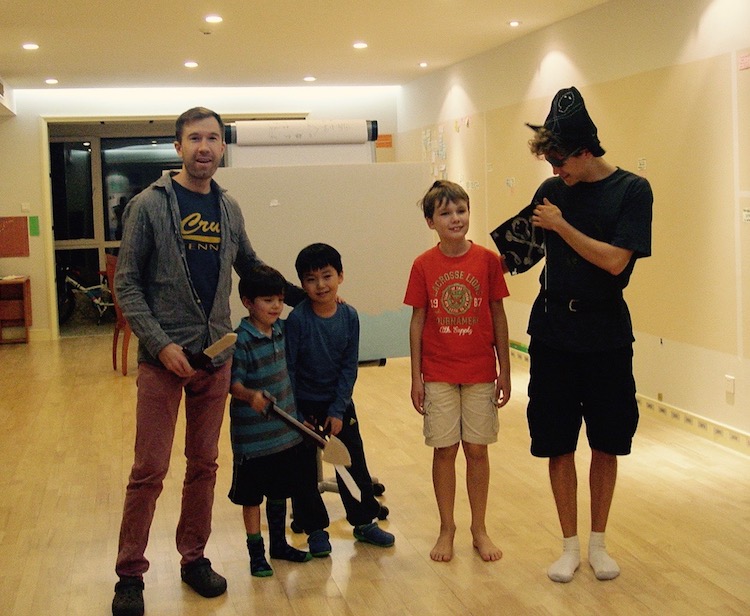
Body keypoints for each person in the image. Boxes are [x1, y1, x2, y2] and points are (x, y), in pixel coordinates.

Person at [111, 107, 302, 616]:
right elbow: (127, 284)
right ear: (178, 146)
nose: (204, 147)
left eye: (212, 138)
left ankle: (193, 558)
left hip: (215, 357)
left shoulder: (228, 208)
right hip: (163, 360)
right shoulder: (149, 206)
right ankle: (130, 574)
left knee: (204, 465)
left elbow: (252, 268)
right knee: (149, 469)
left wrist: (310, 299)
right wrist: (160, 345)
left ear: (222, 147)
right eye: (194, 138)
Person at [494, 87, 652, 583]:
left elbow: (615, 261)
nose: (554, 169)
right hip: (552, 333)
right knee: (556, 442)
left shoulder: (632, 191)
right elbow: (512, 258)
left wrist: (561, 227)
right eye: (549, 161)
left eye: (560, 160)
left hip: (606, 334)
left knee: (608, 441)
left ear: (585, 151)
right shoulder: (551, 191)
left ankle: (599, 544)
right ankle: (568, 546)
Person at [404, 180, 511, 563]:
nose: (455, 218)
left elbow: (498, 315)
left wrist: (505, 369)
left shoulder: (488, 261)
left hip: (481, 371)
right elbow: (418, 321)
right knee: (445, 450)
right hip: (438, 373)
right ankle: (446, 527)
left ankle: (478, 528)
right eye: (445, 213)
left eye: (461, 210)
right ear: (430, 221)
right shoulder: (423, 265)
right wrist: (415, 377)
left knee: (477, 450)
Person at [285, 243, 395, 548]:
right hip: (304, 407)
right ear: (302, 283)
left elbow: (349, 366)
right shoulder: (297, 320)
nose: (320, 285)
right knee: (305, 470)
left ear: (341, 276)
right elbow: (290, 368)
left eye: (327, 276)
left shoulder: (349, 316)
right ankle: (314, 530)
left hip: (338, 405)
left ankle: (364, 522)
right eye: (311, 279)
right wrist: (296, 414)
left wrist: (337, 410)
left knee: (352, 463)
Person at [228, 265, 330, 577]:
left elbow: (308, 307)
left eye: (280, 300)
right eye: (267, 300)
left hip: (285, 435)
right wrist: (250, 396)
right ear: (247, 302)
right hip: (253, 442)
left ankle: (279, 545)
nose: (276, 306)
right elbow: (233, 384)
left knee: (279, 492)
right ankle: (256, 554)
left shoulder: (284, 330)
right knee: (252, 499)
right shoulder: (241, 340)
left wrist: (333, 300)